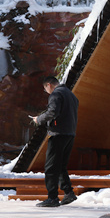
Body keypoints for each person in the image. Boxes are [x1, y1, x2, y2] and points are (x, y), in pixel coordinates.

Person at [31, 76, 79, 208]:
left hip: (58, 134)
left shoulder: (56, 94)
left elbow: (52, 112)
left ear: (49, 85)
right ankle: (68, 192)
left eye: (45, 89)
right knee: (61, 165)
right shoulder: (71, 95)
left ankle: (52, 198)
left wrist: (39, 119)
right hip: (70, 134)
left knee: (51, 167)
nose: (46, 92)